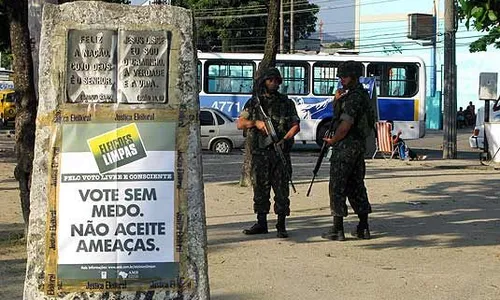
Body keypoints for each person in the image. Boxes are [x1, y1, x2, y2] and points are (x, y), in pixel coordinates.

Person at [236, 68, 300, 238]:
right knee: (260, 189)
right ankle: (261, 222)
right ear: (264, 81)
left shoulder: (287, 103)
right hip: (260, 154)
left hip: (280, 153)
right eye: (270, 80)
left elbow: (295, 125)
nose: (274, 83)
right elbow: (240, 123)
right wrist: (255, 123)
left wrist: (285, 140)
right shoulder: (254, 103)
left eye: (277, 80)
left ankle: (281, 224)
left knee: (281, 190)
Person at [321, 61, 373, 241]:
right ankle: (363, 227)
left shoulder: (353, 98)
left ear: (353, 76)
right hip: (358, 148)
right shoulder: (363, 95)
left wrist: (333, 140)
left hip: (345, 147)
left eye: (344, 77)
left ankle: (337, 229)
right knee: (357, 186)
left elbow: (345, 124)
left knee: (337, 186)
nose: (341, 80)